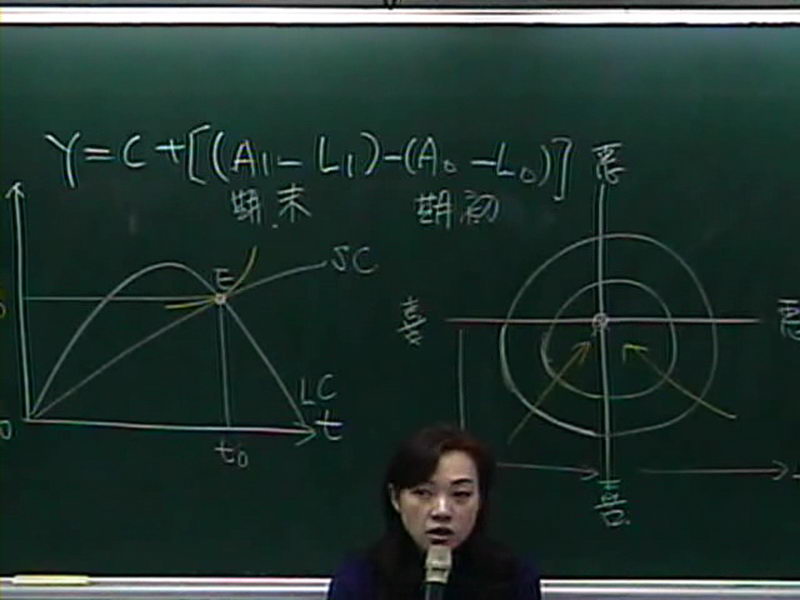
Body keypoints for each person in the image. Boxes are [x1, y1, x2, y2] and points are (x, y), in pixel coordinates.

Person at [327, 424, 541, 600]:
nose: (442, 511)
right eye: (423, 493)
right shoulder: (360, 580)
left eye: (460, 494)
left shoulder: (513, 579)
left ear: (481, 499)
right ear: (395, 498)